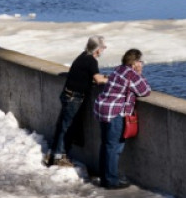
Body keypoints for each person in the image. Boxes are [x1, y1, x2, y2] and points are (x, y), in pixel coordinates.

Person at [93, 48, 150, 190]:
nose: (142, 64)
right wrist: (139, 74)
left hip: (103, 108)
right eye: (140, 62)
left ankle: (104, 177)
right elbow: (145, 90)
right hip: (114, 112)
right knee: (114, 147)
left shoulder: (118, 69)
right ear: (135, 63)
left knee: (106, 145)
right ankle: (111, 181)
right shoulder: (131, 75)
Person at [46, 35, 108, 167]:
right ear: (97, 50)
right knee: (66, 127)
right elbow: (98, 80)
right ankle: (58, 157)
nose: (104, 50)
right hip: (74, 97)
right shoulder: (91, 61)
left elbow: (85, 76)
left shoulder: (82, 56)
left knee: (62, 125)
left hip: (67, 94)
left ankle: (52, 154)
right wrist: (112, 80)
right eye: (103, 47)